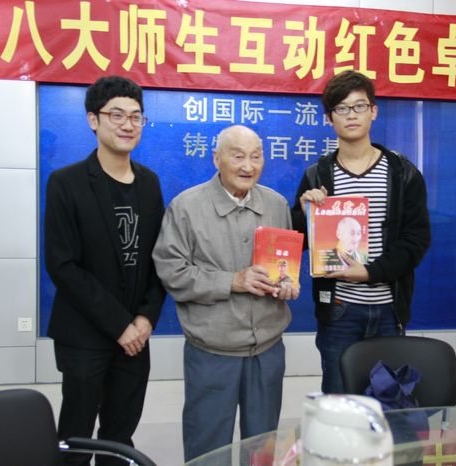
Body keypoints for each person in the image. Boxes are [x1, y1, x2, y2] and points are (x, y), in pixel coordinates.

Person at [152, 124, 299, 461]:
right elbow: (172, 272)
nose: (248, 166)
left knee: (262, 447)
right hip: (212, 350)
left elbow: (283, 265)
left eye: (256, 156)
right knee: (208, 448)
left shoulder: (276, 204)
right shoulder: (186, 207)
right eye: (238, 156)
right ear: (216, 158)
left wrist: (287, 285)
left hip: (268, 349)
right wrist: (233, 281)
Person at [44, 76, 166, 465]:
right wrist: (120, 325)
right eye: (117, 115)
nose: (128, 124)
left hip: (136, 338)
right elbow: (63, 265)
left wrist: (145, 318)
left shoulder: (149, 183)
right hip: (85, 335)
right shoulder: (66, 183)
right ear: (93, 120)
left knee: (120, 436)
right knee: (76, 437)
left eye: (136, 116)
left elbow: (159, 258)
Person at [291, 70, 431, 394]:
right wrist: (305, 214)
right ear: (329, 118)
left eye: (359, 106)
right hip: (339, 308)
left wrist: (370, 272)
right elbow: (299, 239)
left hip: (389, 308)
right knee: (339, 401)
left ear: (373, 111)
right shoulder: (317, 175)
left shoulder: (402, 172)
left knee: (389, 402)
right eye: (341, 108)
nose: (351, 115)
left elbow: (416, 240)